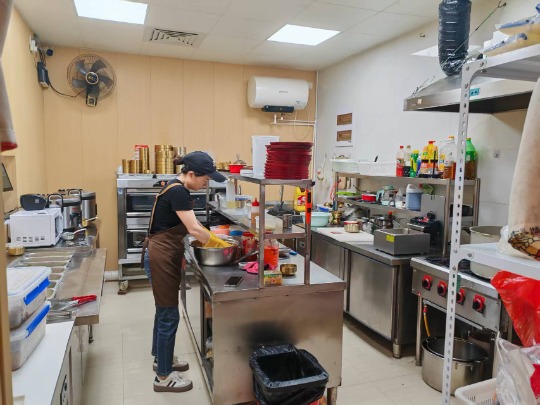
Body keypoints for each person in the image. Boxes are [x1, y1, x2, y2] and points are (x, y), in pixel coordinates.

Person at [142, 151, 230, 392]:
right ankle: (163, 377)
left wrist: (213, 238)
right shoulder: (178, 192)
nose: (206, 183)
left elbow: (195, 224)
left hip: (163, 254)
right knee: (169, 314)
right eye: (205, 179)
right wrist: (220, 245)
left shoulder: (176, 187)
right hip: (160, 256)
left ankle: (161, 359)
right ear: (191, 174)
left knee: (163, 310)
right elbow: (194, 229)